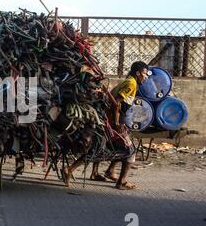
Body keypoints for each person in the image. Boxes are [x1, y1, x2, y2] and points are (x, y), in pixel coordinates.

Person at [64, 61, 149, 190]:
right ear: (138, 73)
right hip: (112, 122)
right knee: (130, 151)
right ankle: (121, 182)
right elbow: (117, 103)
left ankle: (95, 171)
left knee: (104, 147)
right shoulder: (131, 84)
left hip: (107, 119)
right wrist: (116, 123)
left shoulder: (128, 81)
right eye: (145, 73)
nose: (146, 77)